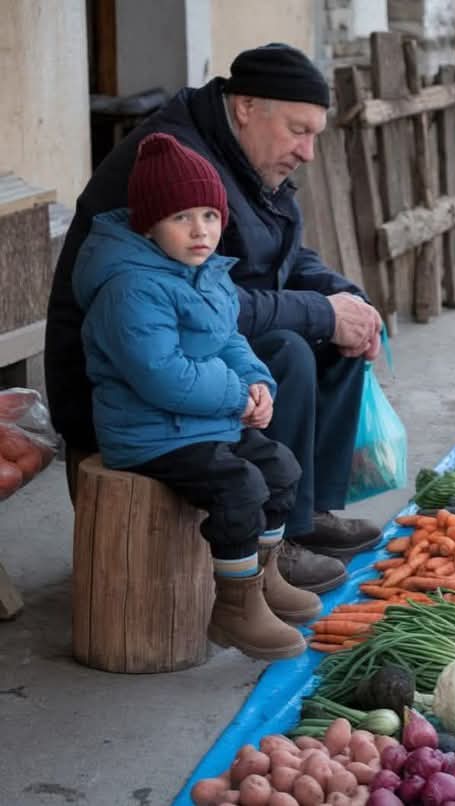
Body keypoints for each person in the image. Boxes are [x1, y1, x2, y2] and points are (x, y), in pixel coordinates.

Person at [45, 43, 385, 594]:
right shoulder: (179, 165)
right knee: (291, 346)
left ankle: (308, 509)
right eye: (299, 131)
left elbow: (283, 257)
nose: (309, 152)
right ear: (247, 107)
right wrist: (320, 313)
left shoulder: (244, 157)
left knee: (341, 332)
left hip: (190, 336)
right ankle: (281, 540)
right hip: (117, 379)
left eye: (314, 134)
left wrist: (346, 300)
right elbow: (216, 303)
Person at [72, 132, 321, 661]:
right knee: (240, 486)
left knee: (280, 468)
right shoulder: (130, 287)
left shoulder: (204, 274)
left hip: (203, 423)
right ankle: (233, 607)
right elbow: (163, 376)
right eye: (182, 217)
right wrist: (236, 396)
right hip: (150, 433)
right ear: (149, 223)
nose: (200, 230)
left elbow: (230, 338)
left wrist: (258, 384)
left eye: (209, 215)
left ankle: (262, 577)